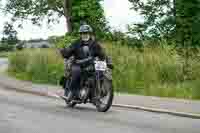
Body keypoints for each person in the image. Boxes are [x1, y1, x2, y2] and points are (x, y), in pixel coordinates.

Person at [59, 24, 112, 100]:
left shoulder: (95, 44)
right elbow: (68, 52)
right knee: (76, 71)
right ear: (80, 34)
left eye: (86, 33)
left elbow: (102, 54)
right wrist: (64, 52)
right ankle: (72, 92)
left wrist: (108, 62)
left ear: (90, 34)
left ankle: (96, 92)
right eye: (83, 33)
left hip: (91, 64)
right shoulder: (76, 43)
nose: (85, 35)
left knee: (100, 72)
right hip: (78, 64)